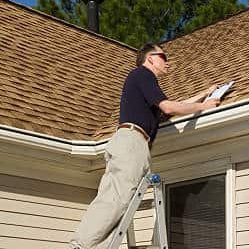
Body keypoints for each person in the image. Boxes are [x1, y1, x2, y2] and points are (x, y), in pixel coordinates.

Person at [69, 43, 220, 249]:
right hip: (132, 142)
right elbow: (168, 105)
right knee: (116, 199)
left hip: (133, 143)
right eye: (164, 57)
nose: (168, 62)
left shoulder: (145, 91)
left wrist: (205, 93)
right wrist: (205, 106)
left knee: (120, 203)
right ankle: (79, 246)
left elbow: (171, 108)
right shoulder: (142, 74)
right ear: (150, 58)